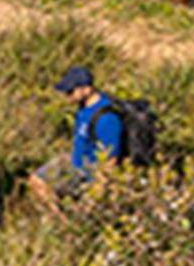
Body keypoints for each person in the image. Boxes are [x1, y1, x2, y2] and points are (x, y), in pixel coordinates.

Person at [27, 63, 126, 208]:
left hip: (88, 172)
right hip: (75, 162)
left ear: (86, 89)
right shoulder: (84, 107)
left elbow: (110, 161)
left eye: (70, 91)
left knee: (41, 184)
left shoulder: (107, 119)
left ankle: (63, 223)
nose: (67, 96)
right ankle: (60, 217)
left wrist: (96, 195)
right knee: (36, 181)